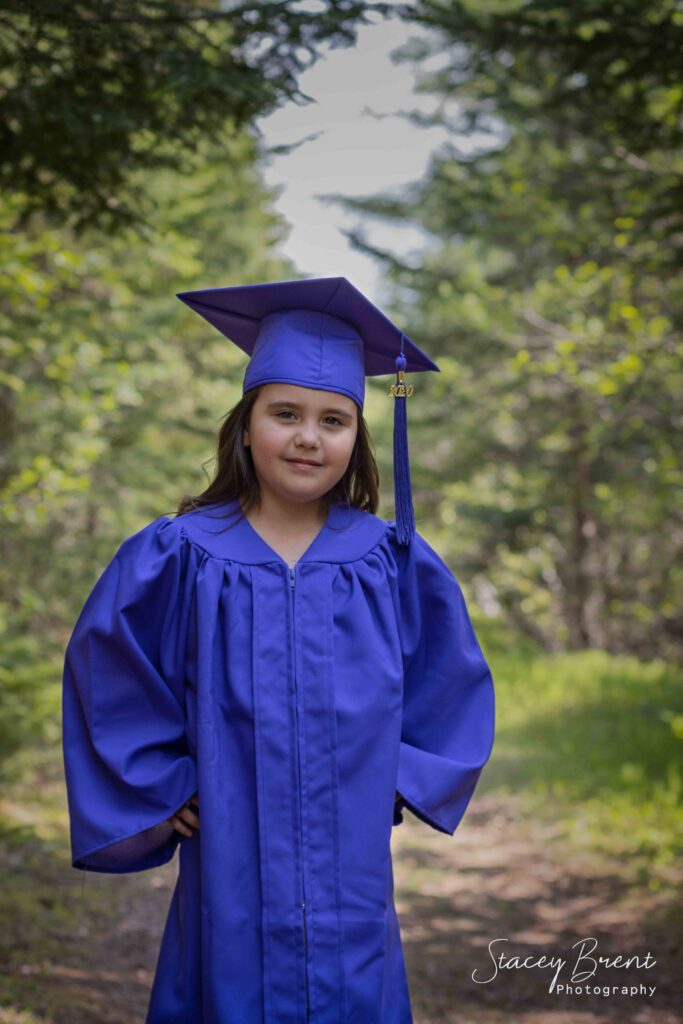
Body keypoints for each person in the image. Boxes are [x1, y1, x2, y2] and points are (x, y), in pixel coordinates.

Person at [61, 275, 496, 1024]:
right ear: (245, 424)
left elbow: (448, 676)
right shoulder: (179, 553)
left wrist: (400, 774)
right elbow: (110, 668)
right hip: (226, 846)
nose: (307, 436)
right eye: (284, 413)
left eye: (333, 419)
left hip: (350, 856)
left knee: (353, 980)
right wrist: (162, 784)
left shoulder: (388, 558)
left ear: (358, 433)